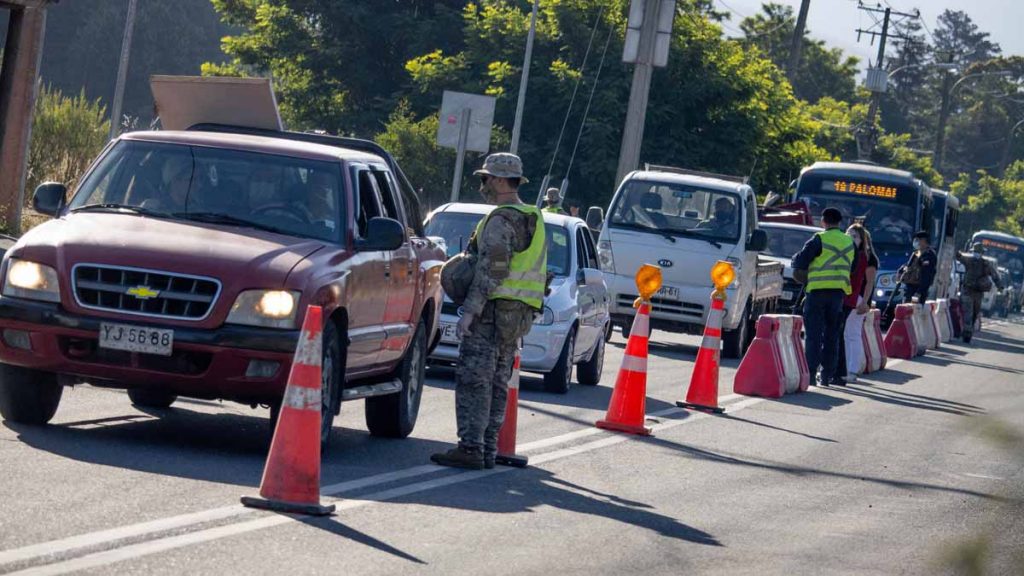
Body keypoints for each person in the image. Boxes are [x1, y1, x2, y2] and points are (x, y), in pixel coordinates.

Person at [431, 153, 548, 470]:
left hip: (492, 312)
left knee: (474, 379)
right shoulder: (533, 217)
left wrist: (470, 310)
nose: (482, 184)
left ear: (498, 180)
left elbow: (495, 268)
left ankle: (471, 448)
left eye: (485, 178)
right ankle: (488, 448)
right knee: (497, 381)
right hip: (516, 316)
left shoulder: (500, 219)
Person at [792, 207, 855, 387]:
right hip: (838, 295)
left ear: (823, 222)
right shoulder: (849, 242)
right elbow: (854, 266)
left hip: (817, 292)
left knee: (813, 335)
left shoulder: (819, 239)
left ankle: (811, 374)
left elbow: (800, 262)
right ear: (840, 222)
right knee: (832, 335)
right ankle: (827, 375)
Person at [835, 224, 878, 384]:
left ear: (863, 240)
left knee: (853, 334)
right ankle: (844, 368)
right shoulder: (847, 253)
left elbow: (869, 282)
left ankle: (852, 370)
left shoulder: (868, 257)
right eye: (848, 234)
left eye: (855, 236)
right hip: (845, 296)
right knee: (845, 334)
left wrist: (865, 302)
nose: (851, 238)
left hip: (858, 298)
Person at [956, 242, 1002, 343]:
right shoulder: (971, 261)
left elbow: (994, 275)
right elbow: (960, 258)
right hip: (970, 292)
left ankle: (968, 331)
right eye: (976, 251)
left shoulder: (985, 264)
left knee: (973, 314)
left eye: (978, 252)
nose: (977, 253)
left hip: (976, 293)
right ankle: (967, 333)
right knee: (969, 312)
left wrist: (1000, 286)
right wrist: (957, 253)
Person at [899, 231, 937, 303]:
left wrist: (920, 291)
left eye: (917, 240)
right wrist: (901, 270)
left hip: (918, 289)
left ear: (923, 241)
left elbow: (927, 275)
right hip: (909, 287)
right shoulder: (917, 253)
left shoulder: (929, 255)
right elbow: (909, 265)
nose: (916, 242)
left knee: (915, 311)